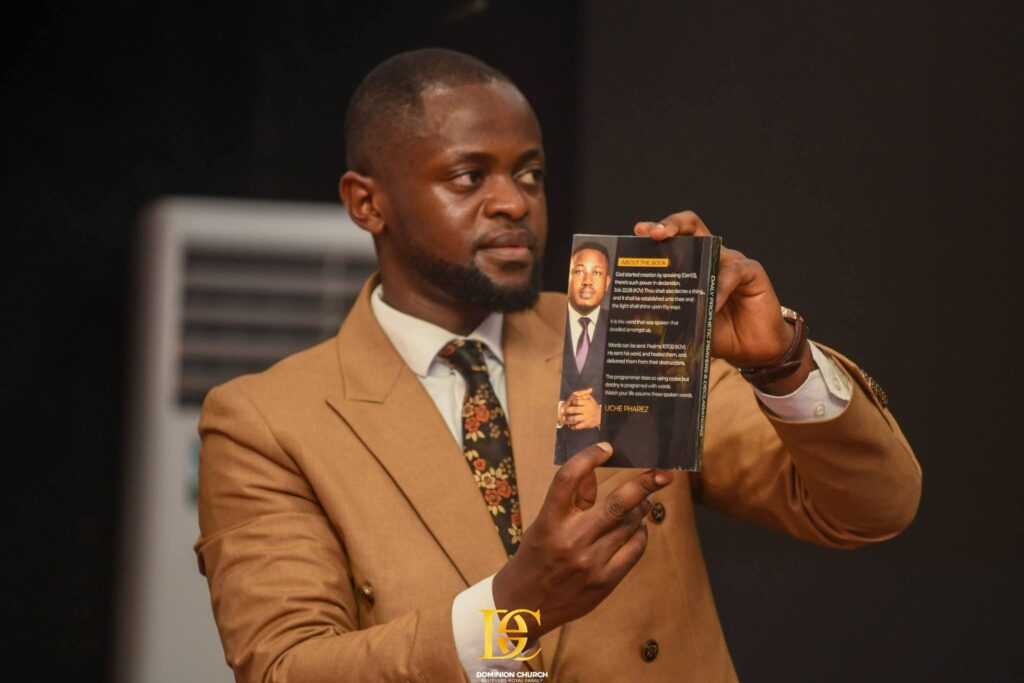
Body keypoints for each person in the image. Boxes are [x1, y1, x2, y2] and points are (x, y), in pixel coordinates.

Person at [195, 48, 921, 683]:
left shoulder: (618, 335)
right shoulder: (271, 420)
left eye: (531, 174)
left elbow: (871, 510)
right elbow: (287, 668)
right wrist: (515, 612)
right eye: (468, 176)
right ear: (367, 203)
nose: (513, 203)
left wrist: (782, 363)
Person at [556, 241, 612, 464]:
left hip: (606, 463)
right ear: (568, 276)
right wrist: (560, 412)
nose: (588, 280)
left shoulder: (626, 330)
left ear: (607, 282)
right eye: (579, 271)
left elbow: (650, 406)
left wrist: (601, 416)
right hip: (543, 458)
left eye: (596, 273)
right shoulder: (543, 322)